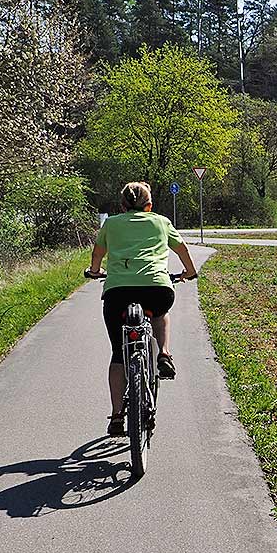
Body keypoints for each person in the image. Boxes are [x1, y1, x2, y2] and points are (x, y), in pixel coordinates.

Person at [85, 182, 197, 436]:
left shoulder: (111, 224)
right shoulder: (161, 222)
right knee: (159, 313)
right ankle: (165, 354)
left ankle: (116, 417)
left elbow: (97, 254)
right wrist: (189, 273)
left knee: (117, 354)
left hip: (117, 292)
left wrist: (95, 272)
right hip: (156, 288)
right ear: (149, 206)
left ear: (123, 206)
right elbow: (182, 250)